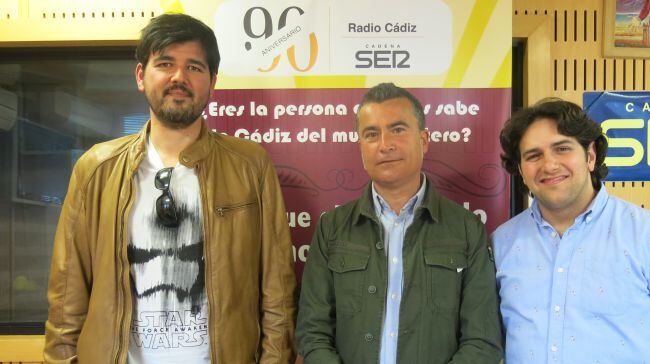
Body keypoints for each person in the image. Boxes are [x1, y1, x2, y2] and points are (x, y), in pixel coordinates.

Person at [44, 13, 296, 363]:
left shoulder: (249, 165)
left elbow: (277, 291)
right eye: (165, 64)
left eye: (194, 67)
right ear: (140, 76)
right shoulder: (96, 169)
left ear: (212, 82)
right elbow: (66, 297)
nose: (179, 76)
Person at [493, 98, 650, 363]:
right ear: (520, 169)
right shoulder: (502, 242)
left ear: (590, 156)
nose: (549, 165)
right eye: (533, 155)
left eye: (562, 148)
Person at [296, 83, 502, 364]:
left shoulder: (467, 229)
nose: (385, 144)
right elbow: (312, 332)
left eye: (398, 129)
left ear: (424, 140)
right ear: (361, 147)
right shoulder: (332, 228)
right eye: (372, 134)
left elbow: (482, 341)